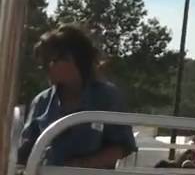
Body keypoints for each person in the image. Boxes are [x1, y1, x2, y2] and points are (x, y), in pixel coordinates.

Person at [17, 24, 137, 169]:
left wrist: (79, 166)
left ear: (75, 60)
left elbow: (122, 146)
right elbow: (25, 152)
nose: (46, 67)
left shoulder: (107, 97)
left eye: (53, 60)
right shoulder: (41, 102)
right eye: (44, 61)